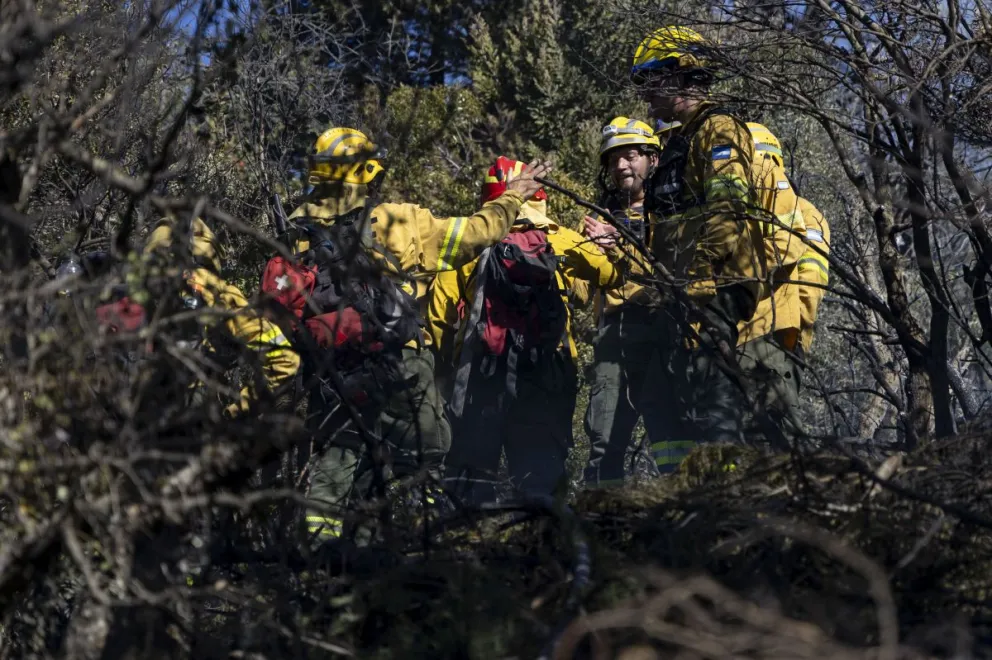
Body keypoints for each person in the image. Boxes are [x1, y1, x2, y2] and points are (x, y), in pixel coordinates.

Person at [262, 128, 549, 543]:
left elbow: (275, 324)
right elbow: (475, 234)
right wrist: (513, 196)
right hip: (398, 366)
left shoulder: (294, 239)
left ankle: (323, 558)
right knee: (428, 449)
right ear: (367, 174)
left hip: (331, 376)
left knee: (339, 460)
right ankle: (424, 536)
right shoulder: (395, 222)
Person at [428, 156, 622, 503]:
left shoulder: (470, 243)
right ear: (540, 196)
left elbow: (439, 317)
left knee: (472, 482)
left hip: (482, 378)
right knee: (540, 482)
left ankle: (465, 549)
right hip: (547, 375)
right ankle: (543, 549)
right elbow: (610, 277)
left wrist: (444, 373)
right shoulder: (559, 239)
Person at [621, 25, 767, 473]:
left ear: (680, 73)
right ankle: (691, 496)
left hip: (712, 288)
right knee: (674, 400)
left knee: (715, 399)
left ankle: (731, 500)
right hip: (684, 291)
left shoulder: (718, 130)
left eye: (651, 81)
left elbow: (728, 212)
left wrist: (697, 282)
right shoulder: (679, 139)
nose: (646, 96)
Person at [579, 117, 662, 487]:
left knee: (673, 430)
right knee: (604, 437)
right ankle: (600, 522)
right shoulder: (599, 217)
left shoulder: (670, 212)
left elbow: (670, 273)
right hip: (613, 336)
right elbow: (582, 292)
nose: (621, 167)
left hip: (662, 329)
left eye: (629, 156)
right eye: (613, 160)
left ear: (653, 160)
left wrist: (621, 245)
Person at [734, 122, 809, 448]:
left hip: (772, 330)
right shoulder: (739, 207)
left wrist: (800, 337)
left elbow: (810, 286)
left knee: (778, 430)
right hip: (741, 328)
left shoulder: (804, 211)